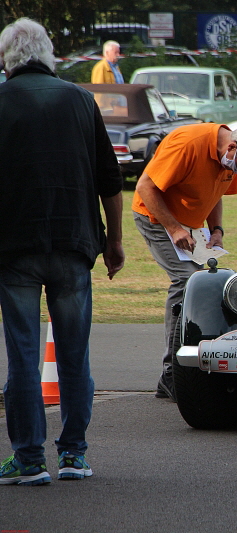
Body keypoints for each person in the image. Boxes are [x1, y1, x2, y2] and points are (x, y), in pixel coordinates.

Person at [0, 18, 125, 485]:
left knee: (23, 354)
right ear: (49, 53)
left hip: (16, 247)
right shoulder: (80, 100)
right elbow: (109, 179)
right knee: (74, 354)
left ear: (7, 57)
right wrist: (113, 242)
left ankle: (29, 458)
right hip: (74, 242)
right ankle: (74, 453)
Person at [132, 124, 237, 401]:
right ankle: (171, 374)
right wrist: (174, 229)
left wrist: (216, 230)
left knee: (212, 283)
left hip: (191, 226)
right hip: (157, 218)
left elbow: (216, 195)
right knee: (186, 282)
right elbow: (145, 187)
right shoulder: (187, 144)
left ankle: (204, 359)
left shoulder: (230, 156)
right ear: (232, 148)